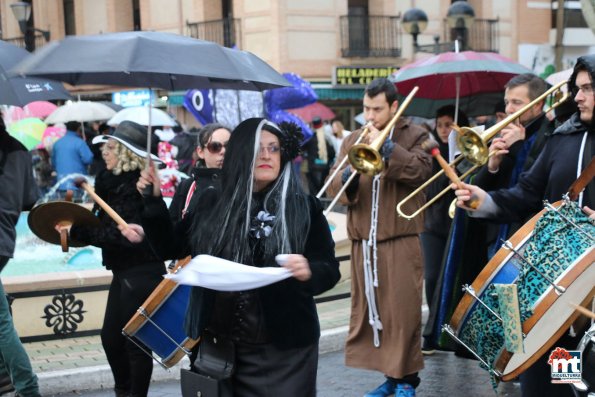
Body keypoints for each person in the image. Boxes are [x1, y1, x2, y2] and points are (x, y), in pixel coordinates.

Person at [135, 117, 341, 396]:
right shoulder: (211, 202)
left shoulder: (303, 207)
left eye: (274, 148)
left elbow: (329, 268)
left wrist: (308, 271)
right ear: (241, 153)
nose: (266, 155)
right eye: (258, 148)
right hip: (221, 349)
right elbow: (170, 247)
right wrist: (152, 202)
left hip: (286, 351)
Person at [453, 54, 595, 397]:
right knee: (555, 378)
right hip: (552, 287)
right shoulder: (563, 138)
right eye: (577, 89)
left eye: (588, 88)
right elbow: (526, 194)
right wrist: (481, 200)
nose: (577, 97)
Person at [326, 77, 432, 396]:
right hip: (364, 243)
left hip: (399, 239)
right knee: (375, 313)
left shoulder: (416, 135)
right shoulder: (353, 139)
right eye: (366, 109)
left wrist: (388, 149)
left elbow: (422, 173)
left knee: (403, 312)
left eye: (377, 109)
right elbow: (332, 184)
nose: (369, 117)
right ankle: (391, 378)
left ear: (394, 107)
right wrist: (349, 174)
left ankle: (406, 381)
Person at [56, 121, 165, 397]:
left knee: (134, 342)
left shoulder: (138, 187)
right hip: (124, 270)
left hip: (142, 270)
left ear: (128, 154)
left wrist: (79, 230)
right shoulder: (108, 182)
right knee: (111, 339)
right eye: (106, 144)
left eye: (112, 146)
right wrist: (74, 226)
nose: (105, 150)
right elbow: (100, 225)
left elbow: (118, 236)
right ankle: (124, 391)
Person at [420, 105, 469, 356]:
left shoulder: (468, 150)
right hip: (432, 223)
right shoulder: (428, 152)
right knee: (431, 276)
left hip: (458, 222)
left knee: (460, 278)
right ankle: (432, 330)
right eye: (439, 124)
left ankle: (457, 332)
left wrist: (459, 170)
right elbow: (424, 187)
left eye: (449, 124)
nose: (443, 129)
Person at [0, 117, 41, 397]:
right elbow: (29, 200)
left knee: (2, 325)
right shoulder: (19, 149)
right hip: (3, 240)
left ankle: (27, 388)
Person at [51, 121, 94, 200]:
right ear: (78, 129)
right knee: (78, 210)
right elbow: (88, 159)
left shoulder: (57, 143)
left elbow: (53, 163)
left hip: (61, 184)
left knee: (65, 210)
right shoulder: (80, 142)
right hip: (78, 185)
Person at [303, 116, 335, 195]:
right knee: (322, 190)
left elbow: (302, 149)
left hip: (312, 167)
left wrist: (306, 156)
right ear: (322, 125)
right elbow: (332, 153)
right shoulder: (327, 138)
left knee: (313, 190)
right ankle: (323, 206)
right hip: (324, 167)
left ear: (313, 126)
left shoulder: (309, 139)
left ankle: (314, 206)